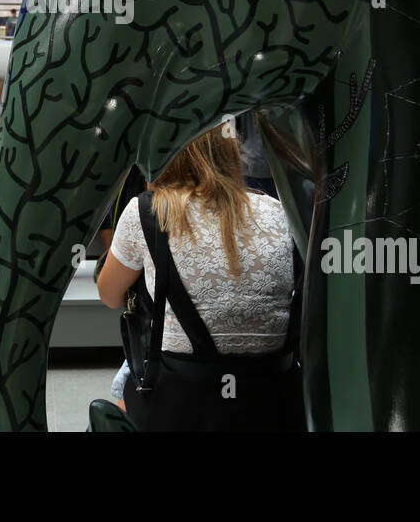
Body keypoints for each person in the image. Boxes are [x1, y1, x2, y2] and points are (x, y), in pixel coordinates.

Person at [96, 125, 301, 430]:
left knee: (124, 381)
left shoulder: (147, 212)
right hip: (274, 401)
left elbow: (110, 295)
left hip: (180, 402)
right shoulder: (279, 211)